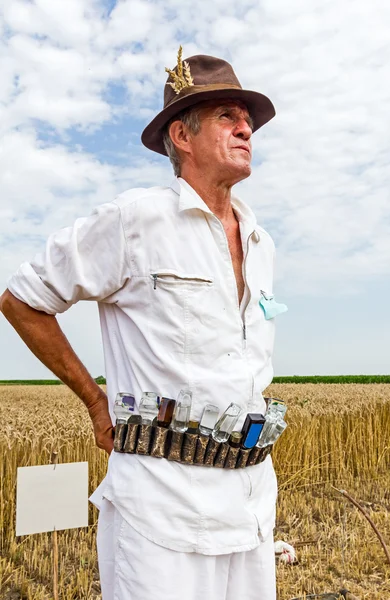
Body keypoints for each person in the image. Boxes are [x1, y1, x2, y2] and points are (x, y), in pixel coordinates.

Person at [1, 49, 283, 600]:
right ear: (182, 135)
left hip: (251, 509)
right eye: (227, 115)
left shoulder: (261, 241)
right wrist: (93, 399)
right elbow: (22, 300)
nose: (246, 126)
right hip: (161, 512)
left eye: (246, 118)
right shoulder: (135, 220)